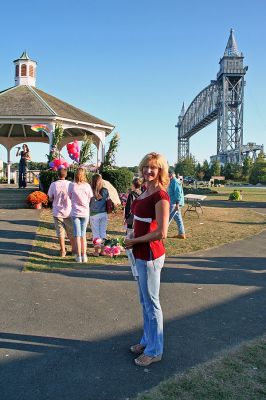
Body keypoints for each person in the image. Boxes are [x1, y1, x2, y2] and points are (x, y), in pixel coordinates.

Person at [124, 152, 170, 367]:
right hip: (139, 253)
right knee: (144, 302)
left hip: (151, 254)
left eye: (154, 167)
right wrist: (131, 236)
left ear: (160, 170)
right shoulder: (144, 191)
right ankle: (147, 340)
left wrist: (135, 241)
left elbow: (162, 232)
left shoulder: (161, 195)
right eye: (146, 167)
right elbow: (140, 220)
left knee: (152, 303)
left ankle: (155, 350)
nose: (148, 171)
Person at [47, 168, 75, 257]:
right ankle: (74, 249)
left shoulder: (53, 184)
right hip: (69, 211)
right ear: (66, 175)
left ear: (57, 175)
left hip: (57, 211)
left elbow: (50, 198)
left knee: (60, 232)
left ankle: (63, 250)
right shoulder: (70, 184)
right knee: (71, 232)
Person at [68, 167, 93, 263]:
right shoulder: (87, 186)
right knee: (83, 235)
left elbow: (70, 196)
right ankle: (84, 255)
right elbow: (90, 198)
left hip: (75, 212)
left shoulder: (72, 185)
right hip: (85, 212)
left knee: (77, 235)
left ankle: (78, 256)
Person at [90, 173, 109, 256]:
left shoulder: (91, 190)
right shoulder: (105, 190)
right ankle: (103, 250)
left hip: (94, 214)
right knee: (103, 232)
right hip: (104, 213)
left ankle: (96, 251)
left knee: (96, 233)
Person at [168, 167, 186, 239]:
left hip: (174, 203)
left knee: (167, 218)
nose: (167, 176)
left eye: (168, 174)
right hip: (174, 202)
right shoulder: (172, 181)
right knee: (178, 218)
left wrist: (177, 204)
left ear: (172, 174)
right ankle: (181, 234)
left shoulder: (175, 181)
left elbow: (178, 193)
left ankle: (162, 234)